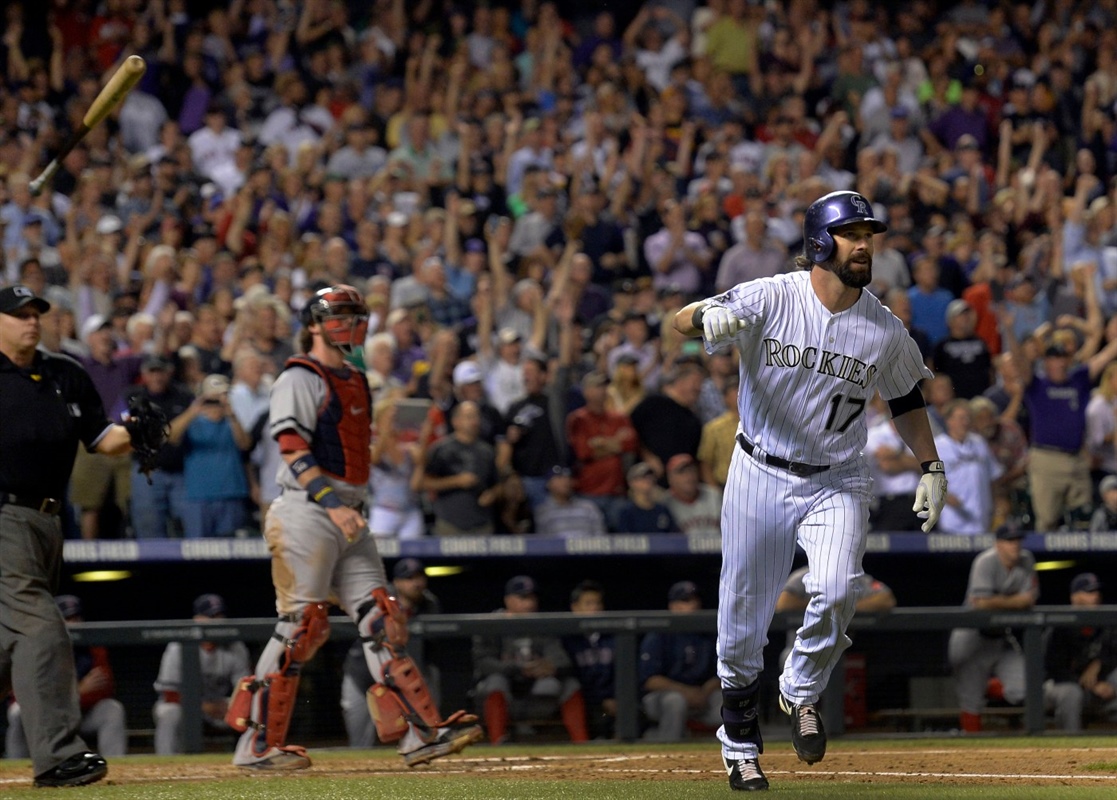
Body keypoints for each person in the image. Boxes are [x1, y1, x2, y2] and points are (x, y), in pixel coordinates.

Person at [672, 191, 945, 791]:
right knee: (741, 623)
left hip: (837, 478)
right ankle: (740, 741)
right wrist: (706, 318)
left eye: (868, 233)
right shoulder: (772, 295)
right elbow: (682, 319)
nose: (865, 244)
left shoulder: (882, 326)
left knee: (840, 584)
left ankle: (799, 689)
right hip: (759, 471)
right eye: (852, 234)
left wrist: (932, 465)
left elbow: (906, 397)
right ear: (821, 242)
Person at [225, 284, 481, 770]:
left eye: (356, 314)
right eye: (340, 315)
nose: (351, 323)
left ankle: (419, 733)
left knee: (381, 618)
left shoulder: (356, 376)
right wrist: (331, 505)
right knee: (301, 626)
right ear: (315, 324)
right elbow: (291, 446)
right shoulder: (301, 375)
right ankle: (255, 746)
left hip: (348, 509)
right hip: (307, 509)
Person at [0, 284, 140, 787]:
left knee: (8, 646)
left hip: (46, 523)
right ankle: (58, 756)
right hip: (3, 517)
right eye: (17, 314)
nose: (30, 321)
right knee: (41, 629)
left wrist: (137, 431)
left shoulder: (65, 372)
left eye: (35, 313)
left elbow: (103, 440)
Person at [6, 595, 126, 762]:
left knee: (112, 709)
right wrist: (78, 690)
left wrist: (65, 696)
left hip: (81, 715)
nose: (73, 623)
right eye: (67, 618)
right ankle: (16, 766)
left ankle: (117, 766)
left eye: (76, 617)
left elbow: (104, 689)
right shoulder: (37, 648)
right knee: (18, 711)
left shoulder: (94, 648)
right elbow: (25, 695)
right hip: (46, 719)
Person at [472, 575, 589, 745]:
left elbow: (562, 659)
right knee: (496, 680)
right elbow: (483, 663)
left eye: (532, 598)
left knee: (570, 684)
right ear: (508, 600)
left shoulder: (542, 625)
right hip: (503, 699)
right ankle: (498, 742)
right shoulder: (490, 624)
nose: (530, 603)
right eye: (523, 598)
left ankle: (582, 743)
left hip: (537, 699)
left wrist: (549, 666)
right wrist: (517, 668)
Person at [340, 559, 444, 748]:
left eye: (419, 577)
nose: (416, 583)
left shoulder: (430, 604)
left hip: (405, 677)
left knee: (424, 731)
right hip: (362, 673)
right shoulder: (378, 601)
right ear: (396, 582)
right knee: (359, 743)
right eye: (409, 578)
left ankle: (423, 743)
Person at [947, 524, 1038, 733]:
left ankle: (987, 686)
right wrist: (1015, 601)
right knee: (970, 699)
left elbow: (1029, 600)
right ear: (998, 544)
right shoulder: (985, 561)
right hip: (971, 636)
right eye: (1009, 541)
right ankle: (971, 750)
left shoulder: (1027, 560)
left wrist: (997, 601)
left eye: (1018, 540)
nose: (1015, 545)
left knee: (1024, 687)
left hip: (1000, 637)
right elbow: (980, 603)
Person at [152, 593, 251, 754]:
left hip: (218, 707)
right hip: (183, 707)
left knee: (249, 709)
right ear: (197, 619)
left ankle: (248, 756)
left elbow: (245, 687)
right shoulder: (177, 646)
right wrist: (202, 706)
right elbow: (169, 693)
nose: (218, 621)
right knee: (169, 712)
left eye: (220, 615)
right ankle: (165, 761)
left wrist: (234, 704)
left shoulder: (235, 646)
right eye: (212, 616)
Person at [637, 581, 722, 742]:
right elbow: (650, 680)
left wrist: (704, 692)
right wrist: (686, 692)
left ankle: (714, 752)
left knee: (726, 700)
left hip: (701, 695)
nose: (694, 605)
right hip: (661, 698)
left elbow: (721, 673)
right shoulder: (658, 635)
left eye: (695, 600)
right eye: (686, 600)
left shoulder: (707, 634)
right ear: (673, 606)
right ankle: (668, 750)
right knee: (675, 701)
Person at [774, 567, 896, 668]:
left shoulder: (855, 578)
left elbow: (886, 600)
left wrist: (844, 607)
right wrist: (824, 607)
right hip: (802, 648)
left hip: (841, 650)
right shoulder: (804, 575)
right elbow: (783, 603)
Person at [1044, 573, 1117, 732]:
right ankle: (1072, 742)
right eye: (1089, 592)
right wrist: (1089, 683)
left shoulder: (1106, 623)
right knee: (1071, 693)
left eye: (1097, 592)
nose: (1096, 596)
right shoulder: (1059, 626)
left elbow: (1113, 653)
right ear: (1075, 597)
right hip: (1058, 686)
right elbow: (1054, 669)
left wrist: (1100, 662)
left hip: (1096, 688)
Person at [561, 580, 617, 740]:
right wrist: (601, 700)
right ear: (575, 608)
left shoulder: (614, 636)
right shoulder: (567, 639)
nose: (595, 608)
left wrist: (615, 698)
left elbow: (625, 674)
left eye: (598, 603)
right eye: (588, 604)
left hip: (614, 700)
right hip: (587, 703)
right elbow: (571, 676)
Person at [533, 466, 608, 537]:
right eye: (559, 478)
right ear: (548, 484)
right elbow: (543, 542)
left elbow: (601, 537)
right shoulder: (543, 511)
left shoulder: (588, 507)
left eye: (567, 478)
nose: (565, 481)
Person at [662, 454, 722, 536]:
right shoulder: (665, 503)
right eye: (682, 472)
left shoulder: (714, 496)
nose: (688, 476)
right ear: (670, 478)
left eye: (691, 470)